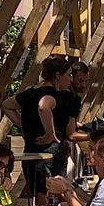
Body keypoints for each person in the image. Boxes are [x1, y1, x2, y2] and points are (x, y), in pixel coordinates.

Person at [12, 54, 76, 194]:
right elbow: (43, 106)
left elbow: (7, 105)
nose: (71, 79)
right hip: (49, 153)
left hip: (30, 150)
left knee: (38, 193)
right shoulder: (51, 93)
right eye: (69, 75)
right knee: (52, 194)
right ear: (58, 76)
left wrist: (23, 126)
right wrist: (50, 133)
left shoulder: (30, 92)